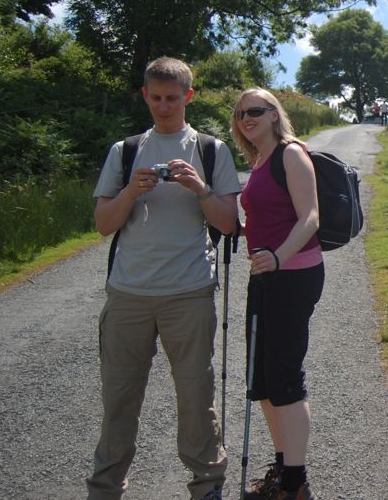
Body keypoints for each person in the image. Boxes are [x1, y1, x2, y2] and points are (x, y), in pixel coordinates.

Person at [89, 57, 240, 500]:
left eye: (172, 98)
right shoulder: (126, 150)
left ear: (188, 97)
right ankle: (106, 486)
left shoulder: (211, 151)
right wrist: (130, 193)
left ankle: (206, 484)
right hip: (128, 293)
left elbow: (229, 224)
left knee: (196, 395)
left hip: (188, 292)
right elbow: (102, 223)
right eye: (155, 98)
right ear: (145, 96)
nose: (163, 106)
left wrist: (200, 188)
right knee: (119, 397)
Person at [231, 87, 324, 500]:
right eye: (239, 115)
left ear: (273, 114)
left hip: (293, 274)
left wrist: (279, 257)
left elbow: (311, 218)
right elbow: (266, 218)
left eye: (254, 111)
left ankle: (295, 484)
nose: (245, 118)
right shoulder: (259, 161)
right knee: (264, 380)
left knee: (285, 378)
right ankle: (283, 468)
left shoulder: (290, 153)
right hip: (265, 275)